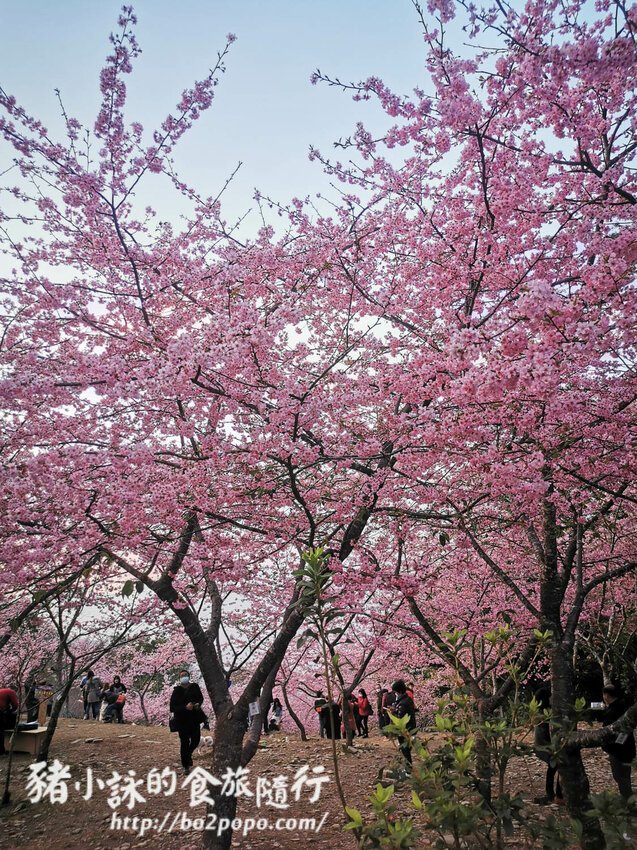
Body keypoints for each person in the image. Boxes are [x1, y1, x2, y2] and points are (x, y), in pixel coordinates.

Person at [598, 685, 635, 800]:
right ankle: (627, 798)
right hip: (627, 747)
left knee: (620, 776)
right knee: (624, 775)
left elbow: (609, 730)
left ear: (606, 695)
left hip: (618, 749)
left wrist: (610, 746)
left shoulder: (613, 711)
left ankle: (628, 802)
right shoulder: (622, 705)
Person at [170, 670, 205, 775]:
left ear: (189, 677)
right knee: (184, 743)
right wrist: (185, 707)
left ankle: (188, 755)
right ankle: (185, 765)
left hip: (194, 719)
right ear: (179, 679)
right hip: (182, 721)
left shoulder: (194, 687)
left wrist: (197, 704)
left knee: (196, 740)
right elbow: (172, 707)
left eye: (185, 675)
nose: (184, 677)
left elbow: (200, 698)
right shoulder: (177, 691)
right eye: (182, 676)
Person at [532, 686, 563, 804]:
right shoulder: (544, 716)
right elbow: (547, 735)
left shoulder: (543, 711)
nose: (552, 699)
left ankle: (552, 795)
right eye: (550, 697)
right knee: (558, 766)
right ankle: (557, 796)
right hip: (544, 747)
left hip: (542, 746)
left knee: (553, 768)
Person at [391, 679, 417, 766]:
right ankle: (408, 767)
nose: (395, 693)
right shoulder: (407, 699)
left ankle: (408, 769)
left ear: (399, 691)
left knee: (405, 750)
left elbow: (400, 717)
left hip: (405, 729)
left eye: (395, 691)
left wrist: (393, 712)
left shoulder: (403, 702)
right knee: (406, 750)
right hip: (411, 727)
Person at [0, 686, 19, 755]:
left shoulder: (2, 691)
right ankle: (1, 752)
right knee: (0, 732)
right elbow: (16, 705)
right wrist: (11, 711)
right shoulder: (12, 692)